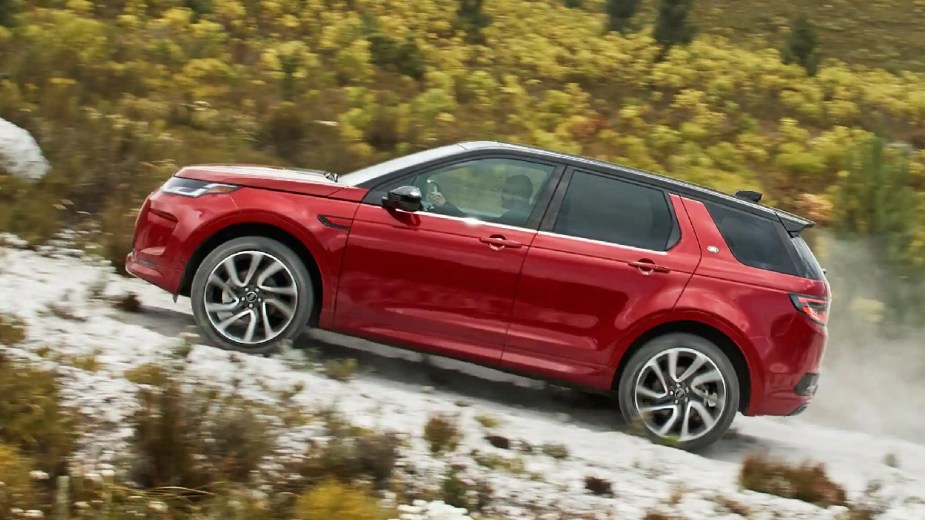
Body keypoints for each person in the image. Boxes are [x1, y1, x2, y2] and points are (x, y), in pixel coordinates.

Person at [426, 174, 534, 227]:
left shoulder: (514, 219)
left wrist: (444, 205)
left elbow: (478, 228)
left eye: (506, 192)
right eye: (503, 191)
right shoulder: (523, 217)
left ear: (518, 195)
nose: (502, 195)